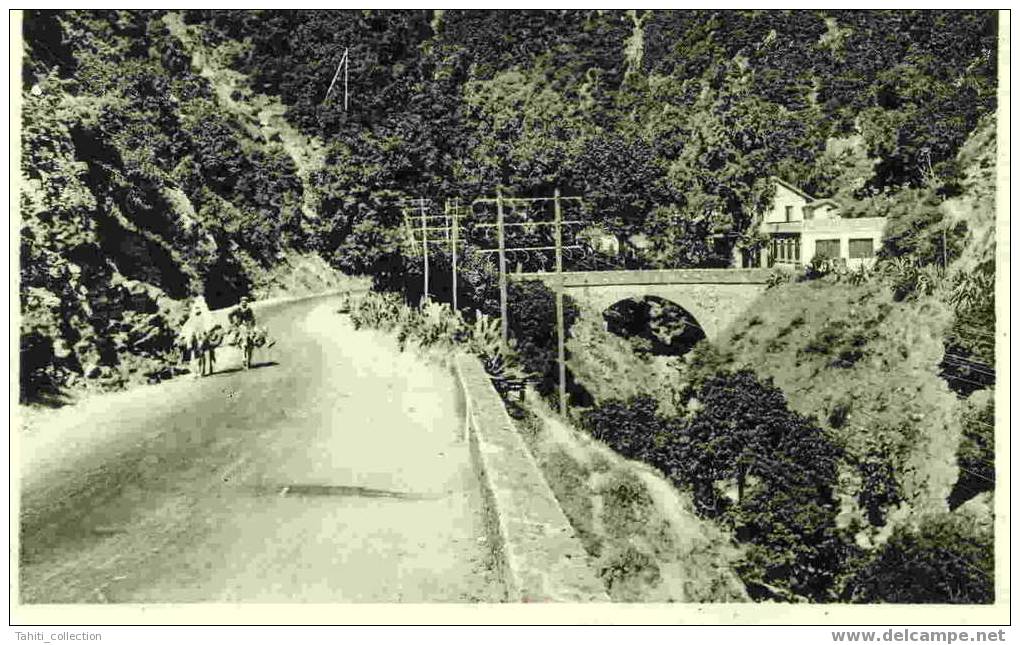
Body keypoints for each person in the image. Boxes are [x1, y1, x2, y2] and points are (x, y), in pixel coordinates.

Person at [229, 296, 258, 370]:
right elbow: (230, 315)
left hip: (249, 325)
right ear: (241, 302)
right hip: (240, 325)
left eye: (245, 301)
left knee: (254, 335)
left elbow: (252, 318)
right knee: (237, 335)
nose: (244, 302)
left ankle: (255, 342)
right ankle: (237, 343)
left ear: (247, 302)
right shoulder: (237, 309)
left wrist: (253, 325)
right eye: (243, 301)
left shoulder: (249, 310)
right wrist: (233, 322)